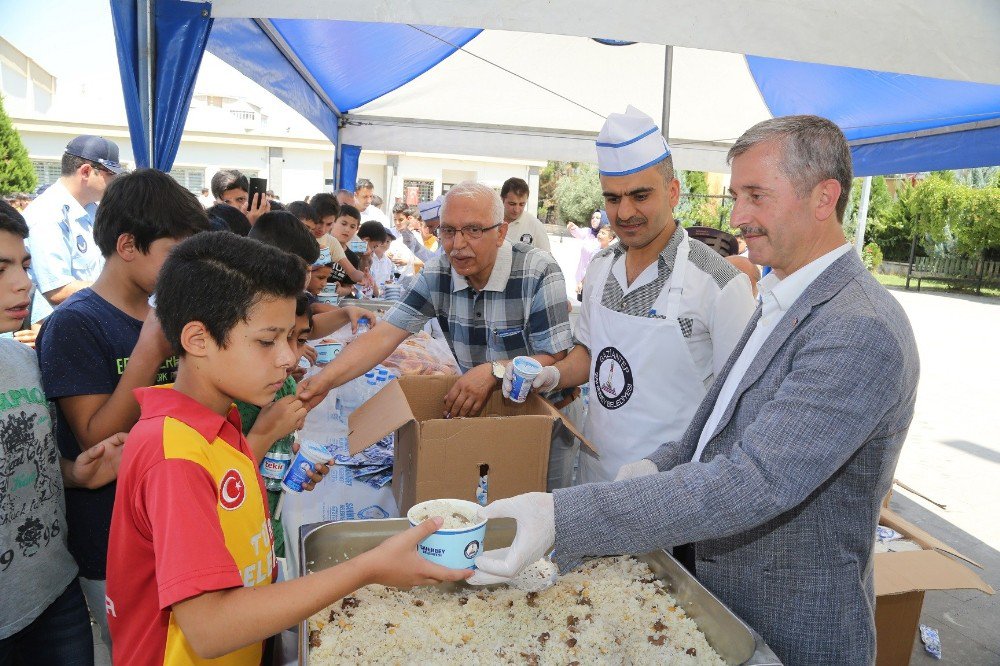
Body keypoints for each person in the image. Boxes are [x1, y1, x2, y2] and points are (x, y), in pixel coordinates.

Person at [472, 115, 920, 666]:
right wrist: (661, 464)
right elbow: (719, 419)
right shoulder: (784, 293)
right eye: (736, 196)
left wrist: (563, 517)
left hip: (789, 628)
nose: (737, 218)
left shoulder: (857, 326)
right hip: (719, 601)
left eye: (756, 196)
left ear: (824, 196)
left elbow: (756, 480)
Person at [105, 232, 469, 664]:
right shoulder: (174, 456)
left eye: (291, 339)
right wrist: (367, 568)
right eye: (267, 340)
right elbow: (209, 627)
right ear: (197, 339)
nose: (286, 358)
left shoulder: (220, 423)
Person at [508, 106, 756, 484]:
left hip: (671, 492)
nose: (624, 212)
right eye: (613, 198)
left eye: (640, 195)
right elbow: (590, 353)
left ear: (672, 191)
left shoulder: (720, 284)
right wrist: (552, 374)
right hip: (598, 478)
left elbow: (740, 410)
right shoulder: (601, 267)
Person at [298, 181, 580, 489]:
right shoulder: (439, 273)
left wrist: (495, 372)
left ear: (500, 233)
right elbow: (384, 336)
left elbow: (556, 356)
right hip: (485, 416)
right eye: (448, 231)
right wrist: (324, 381)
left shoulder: (537, 271)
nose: (457, 244)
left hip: (545, 416)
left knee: (543, 512)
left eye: (473, 230)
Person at [33, 169, 210, 649]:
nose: (183, 270)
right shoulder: (76, 324)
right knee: (132, 650)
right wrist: (149, 350)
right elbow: (94, 437)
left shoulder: (163, 315)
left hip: (171, 519)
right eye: (175, 255)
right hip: (111, 540)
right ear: (128, 245)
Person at [0, 200, 126, 666]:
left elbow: (21, 461)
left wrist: (74, 473)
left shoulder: (19, 359)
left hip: (54, 592)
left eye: (25, 265)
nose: (22, 283)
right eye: (1, 268)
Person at [22, 135, 125, 308]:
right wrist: (124, 287)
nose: (114, 181)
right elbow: (58, 291)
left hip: (93, 315)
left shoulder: (95, 208)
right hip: (66, 325)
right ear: (86, 171)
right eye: (111, 174)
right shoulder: (47, 214)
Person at [500, 177, 551, 252]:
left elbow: (546, 259)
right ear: (502, 199)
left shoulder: (536, 226)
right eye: (512, 204)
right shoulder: (490, 221)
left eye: (521, 204)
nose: (516, 210)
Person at [566, 210, 605, 301]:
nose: (594, 219)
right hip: (581, 278)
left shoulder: (605, 238)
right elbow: (578, 232)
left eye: (598, 218)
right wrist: (572, 227)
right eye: (593, 217)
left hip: (594, 280)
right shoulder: (588, 232)